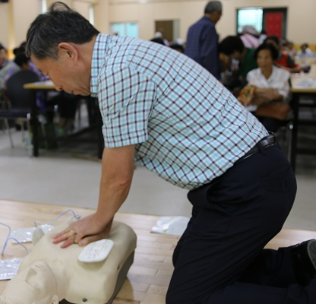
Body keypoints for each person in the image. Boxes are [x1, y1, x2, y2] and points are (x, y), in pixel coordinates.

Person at [25, 3, 315, 303]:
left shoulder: (117, 71)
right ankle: (302, 262)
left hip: (247, 187)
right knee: (187, 259)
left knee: (189, 298)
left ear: (68, 52)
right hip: (250, 174)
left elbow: (118, 175)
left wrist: (100, 218)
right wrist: (105, 217)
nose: (56, 85)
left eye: (48, 72)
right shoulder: (125, 52)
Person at [0, 221, 137, 303]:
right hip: (118, 230)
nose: (30, 270)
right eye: (33, 283)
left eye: (16, 280)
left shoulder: (26, 265)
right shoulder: (92, 286)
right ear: (54, 301)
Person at [243, 43, 291, 132]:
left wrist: (259, 92)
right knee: (246, 126)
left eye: (266, 58)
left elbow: (284, 95)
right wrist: (271, 92)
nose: (262, 61)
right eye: (259, 57)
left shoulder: (283, 74)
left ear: (273, 59)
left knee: (264, 129)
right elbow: (247, 95)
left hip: (274, 112)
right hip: (255, 109)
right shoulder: (252, 74)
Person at [184, 1, 222, 79]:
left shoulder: (192, 27)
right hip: (203, 75)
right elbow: (209, 55)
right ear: (216, 12)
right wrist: (214, 78)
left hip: (190, 71)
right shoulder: (209, 27)